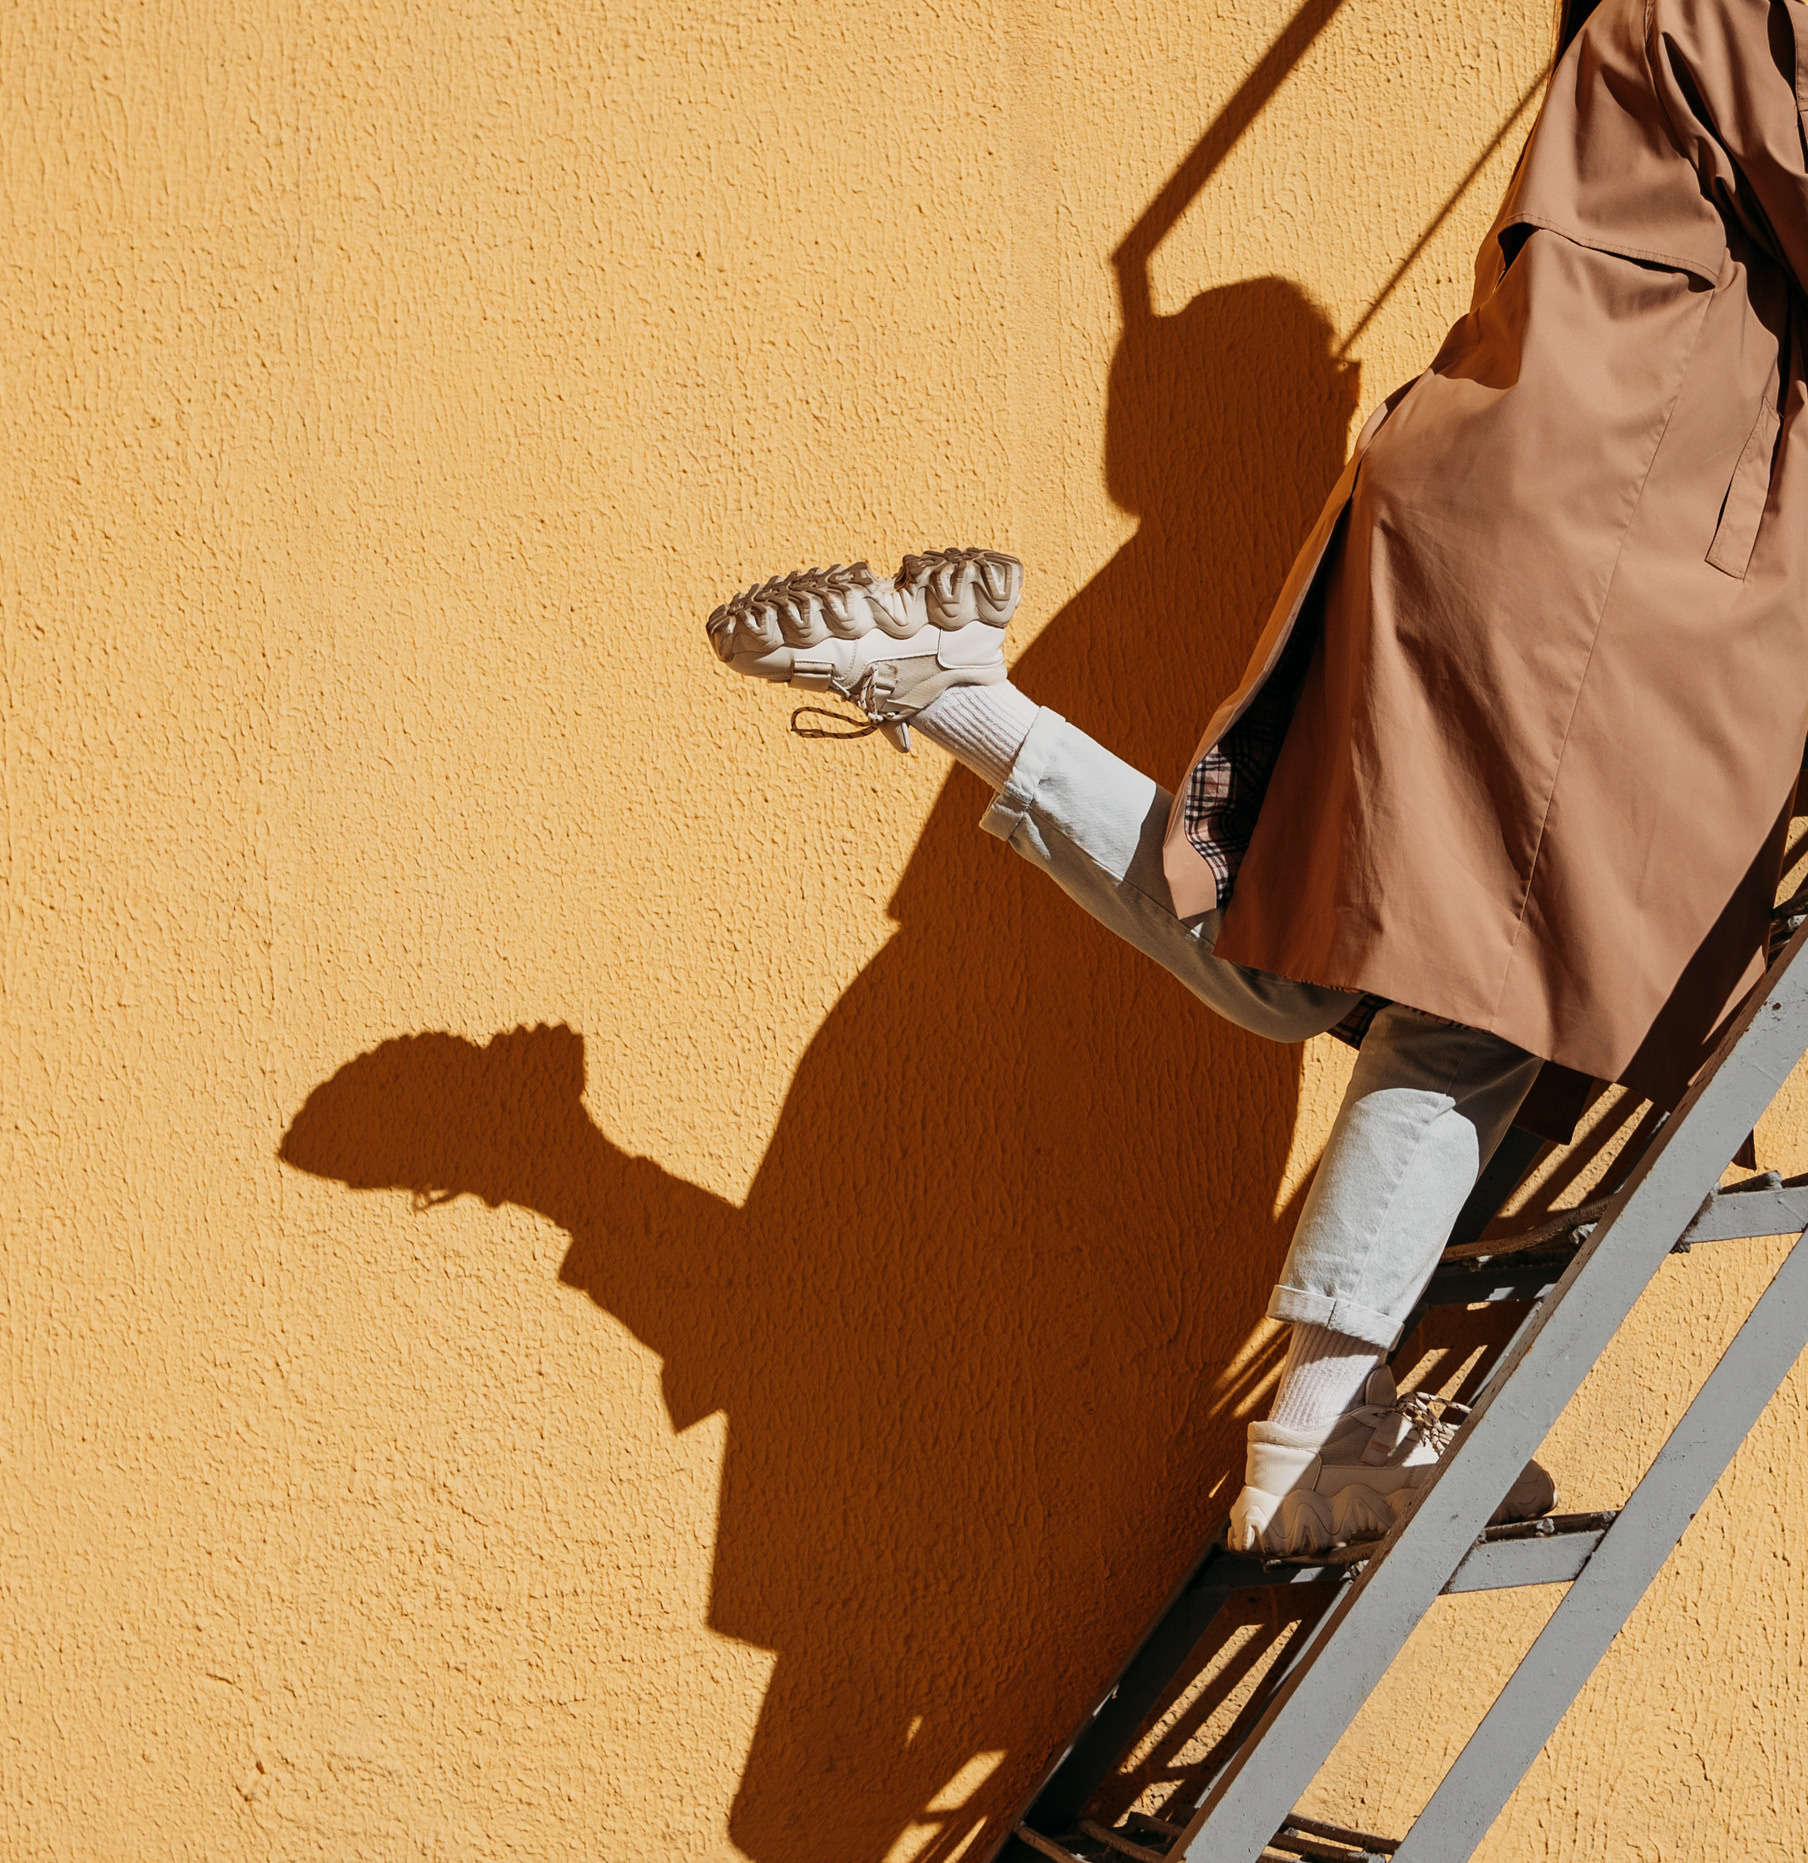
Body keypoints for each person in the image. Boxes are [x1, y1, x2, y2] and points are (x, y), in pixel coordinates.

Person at [704, 0, 1808, 1555]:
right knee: (1481, 988)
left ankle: (954, 698)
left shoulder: (1636, 25)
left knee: (1315, 959)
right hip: (1602, 539)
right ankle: (1317, 1436)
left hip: (1493, 503)